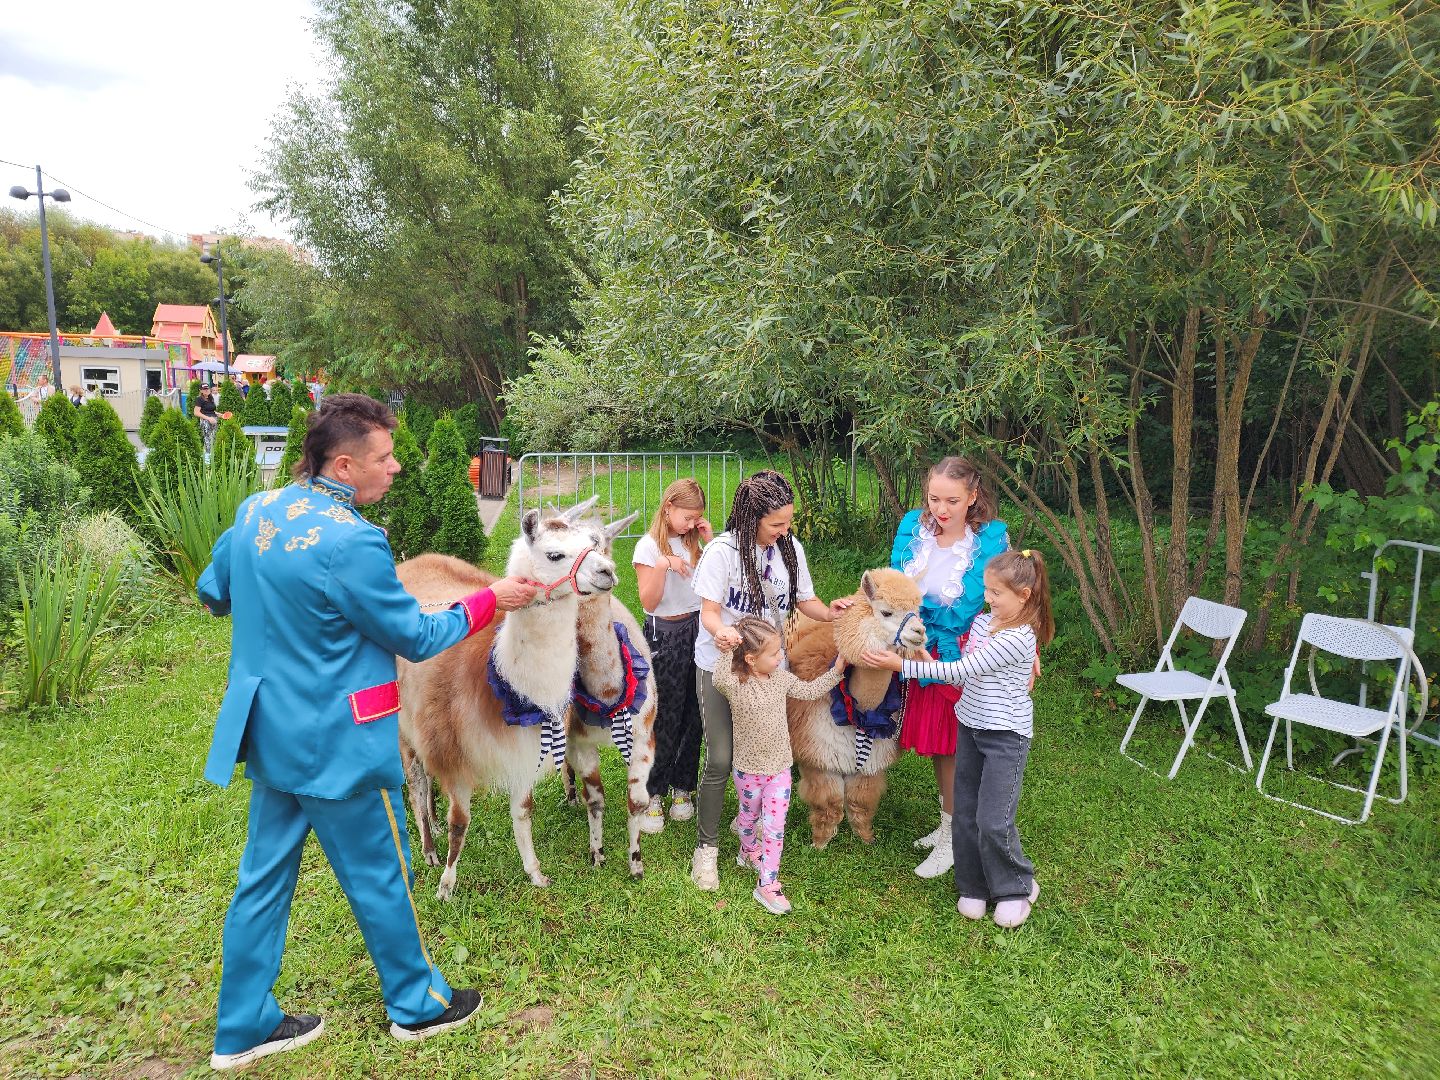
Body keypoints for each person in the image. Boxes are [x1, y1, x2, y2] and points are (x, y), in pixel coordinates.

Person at [196, 393, 538, 1070]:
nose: (398, 467)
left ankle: (239, 1027)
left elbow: (215, 591)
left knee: (261, 880)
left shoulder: (258, 511)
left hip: (269, 732)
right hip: (337, 744)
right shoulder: (354, 540)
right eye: (385, 457)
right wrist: (488, 599)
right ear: (345, 464)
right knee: (381, 872)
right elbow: (416, 635)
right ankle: (417, 1005)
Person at [863, 549, 1054, 928]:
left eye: (996, 593)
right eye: (986, 590)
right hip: (970, 726)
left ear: (1024, 596)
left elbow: (967, 666)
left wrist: (901, 664)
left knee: (993, 818)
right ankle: (973, 886)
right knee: (965, 812)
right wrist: (922, 658)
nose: (987, 599)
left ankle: (1016, 886)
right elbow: (957, 675)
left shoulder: (1018, 638)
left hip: (1005, 737)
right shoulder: (985, 624)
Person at [688, 469, 852, 891]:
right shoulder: (722, 553)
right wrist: (720, 631)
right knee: (722, 758)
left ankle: (751, 828)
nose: (785, 531)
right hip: (722, 668)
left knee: (770, 755)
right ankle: (706, 850)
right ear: (751, 517)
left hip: (770, 671)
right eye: (776, 523)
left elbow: (805, 600)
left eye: (788, 522)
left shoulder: (789, 549)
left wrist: (832, 612)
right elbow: (708, 612)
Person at [889, 456, 1009, 880]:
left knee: (955, 743)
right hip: (919, 645)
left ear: (973, 496)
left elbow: (1008, 598)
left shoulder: (989, 541)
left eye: (952, 501)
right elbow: (896, 586)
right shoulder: (914, 530)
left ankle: (957, 836)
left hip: (958, 653)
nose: (941, 509)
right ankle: (948, 824)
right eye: (934, 498)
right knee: (940, 743)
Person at [715, 617, 845, 913]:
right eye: (774, 654)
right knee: (747, 818)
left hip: (780, 770)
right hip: (748, 771)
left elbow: (810, 691)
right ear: (750, 659)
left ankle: (768, 884)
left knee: (774, 828)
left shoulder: (781, 679)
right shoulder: (736, 684)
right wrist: (724, 648)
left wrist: (836, 672)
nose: (780, 658)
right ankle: (748, 851)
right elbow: (718, 679)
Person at [633, 479, 712, 831]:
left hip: (699, 629)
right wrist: (665, 564)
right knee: (664, 713)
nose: (691, 524)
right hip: (665, 633)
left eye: (697, 518)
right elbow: (649, 602)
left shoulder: (699, 544)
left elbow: (722, 577)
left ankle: (683, 786)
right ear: (668, 508)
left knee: (695, 713)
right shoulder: (648, 548)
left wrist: (709, 541)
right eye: (687, 516)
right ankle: (653, 791)